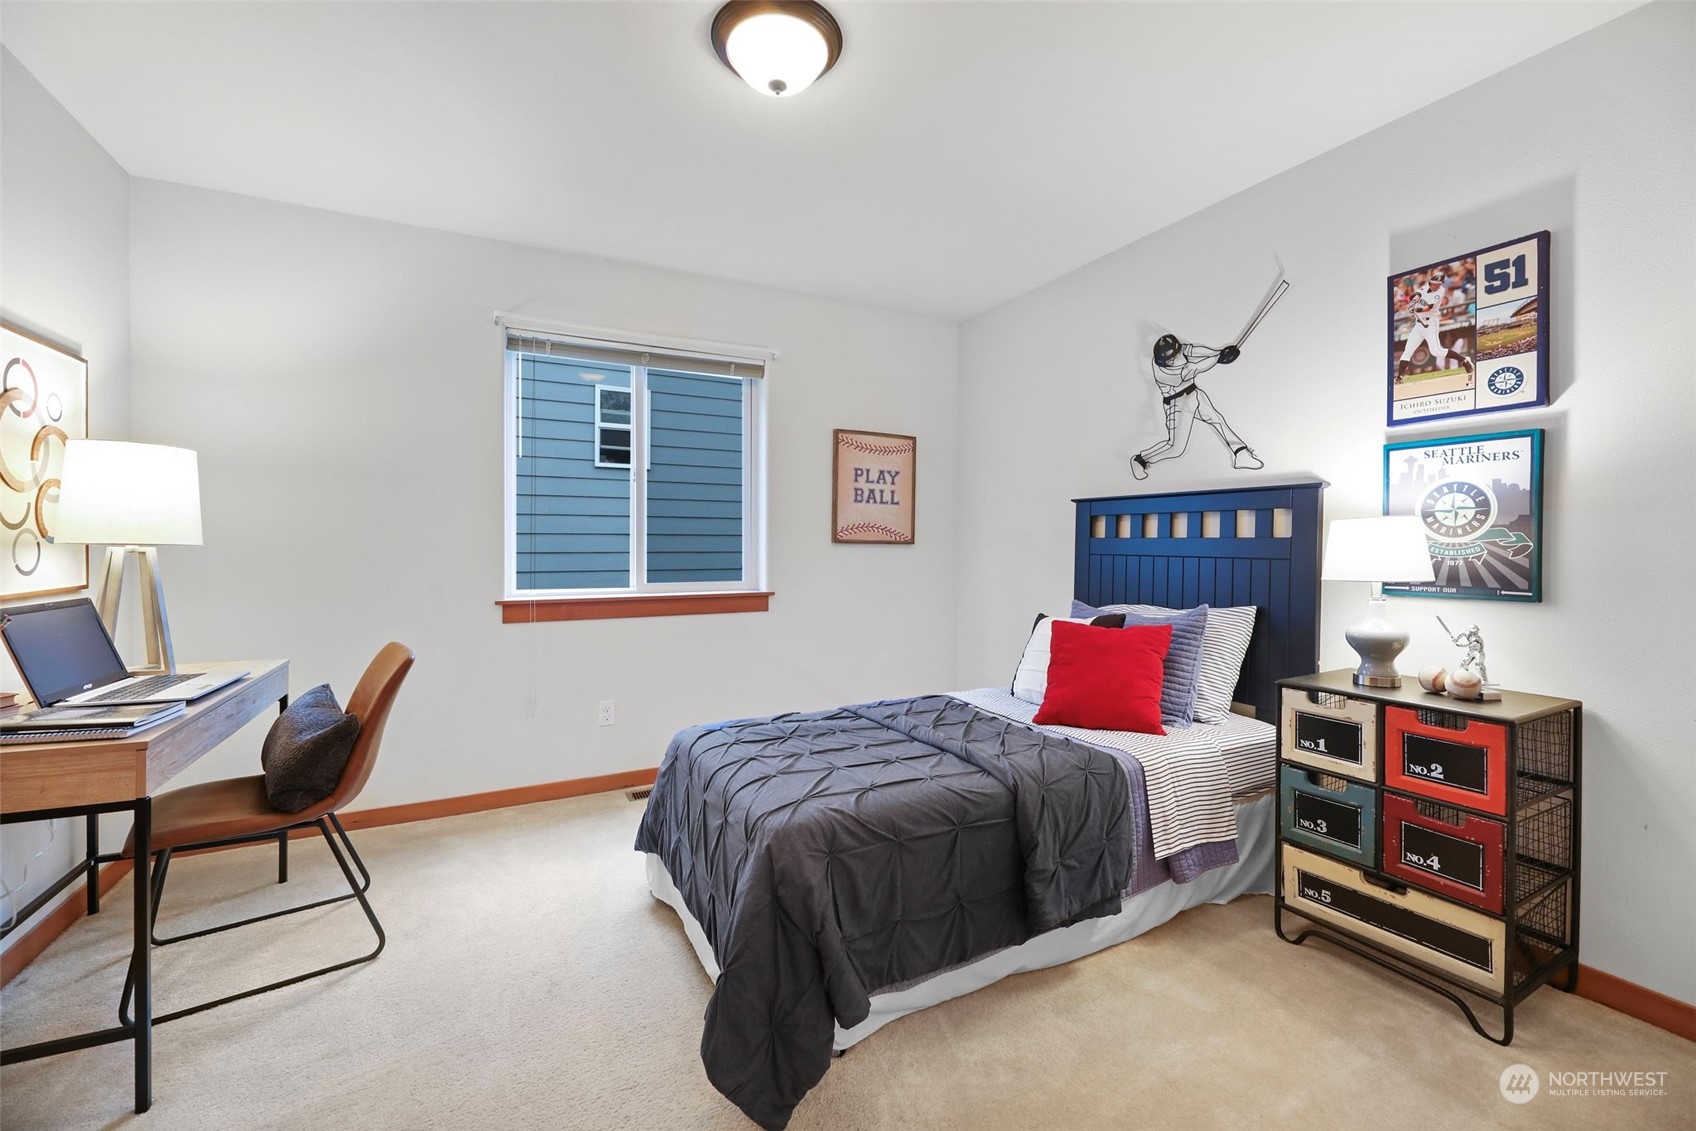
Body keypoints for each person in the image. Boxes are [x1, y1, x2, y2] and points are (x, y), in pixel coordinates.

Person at [1130, 333, 1262, 480]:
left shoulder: (1176, 351)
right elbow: (1195, 368)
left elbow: (1194, 350)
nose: (1178, 357)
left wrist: (1218, 352)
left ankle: (1241, 453)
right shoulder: (1164, 371)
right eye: (1172, 358)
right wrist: (1219, 358)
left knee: (1217, 419)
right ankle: (1141, 459)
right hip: (1177, 403)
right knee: (1176, 448)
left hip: (1194, 393)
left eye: (1178, 352)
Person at [1396, 271, 1474, 381]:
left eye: (1437, 284)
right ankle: (1399, 377)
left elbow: (1429, 308)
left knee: (1436, 351)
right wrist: (1413, 303)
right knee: (1408, 350)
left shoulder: (1440, 292)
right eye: (1433, 283)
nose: (1435, 286)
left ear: (1441, 284)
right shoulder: (1426, 285)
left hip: (1430, 323)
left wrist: (1416, 309)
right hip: (1418, 325)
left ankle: (1464, 360)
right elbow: (1417, 295)